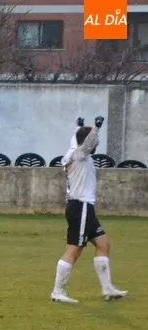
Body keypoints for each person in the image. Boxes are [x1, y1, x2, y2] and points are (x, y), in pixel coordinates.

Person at [51, 116, 127, 303]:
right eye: (95, 142)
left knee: (103, 244)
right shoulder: (80, 154)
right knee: (74, 249)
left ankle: (107, 289)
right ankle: (57, 292)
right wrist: (97, 128)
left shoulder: (74, 151)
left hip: (83, 208)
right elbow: (87, 143)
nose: (96, 145)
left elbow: (77, 138)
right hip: (81, 207)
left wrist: (79, 126)